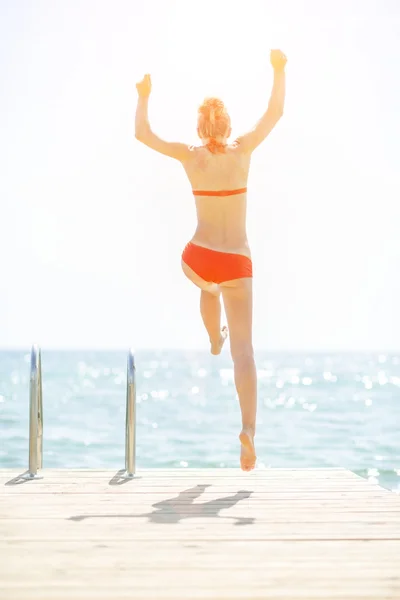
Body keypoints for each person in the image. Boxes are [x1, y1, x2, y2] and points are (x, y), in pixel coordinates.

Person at [135, 49, 287, 471]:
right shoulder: (243, 151)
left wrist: (144, 95)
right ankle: (249, 431)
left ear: (200, 128)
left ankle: (212, 339)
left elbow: (142, 134)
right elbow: (275, 113)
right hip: (238, 261)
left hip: (198, 256)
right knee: (246, 352)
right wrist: (279, 70)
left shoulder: (191, 155)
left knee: (207, 285)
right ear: (228, 125)